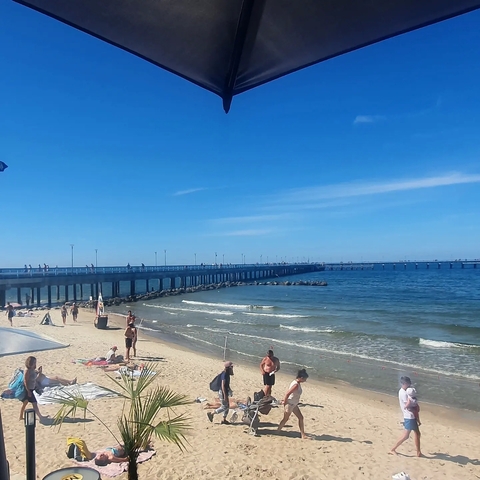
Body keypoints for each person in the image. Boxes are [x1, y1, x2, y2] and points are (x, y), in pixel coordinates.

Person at [389, 376, 422, 457]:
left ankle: (418, 452)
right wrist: (416, 408)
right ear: (404, 384)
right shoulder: (403, 393)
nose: (409, 385)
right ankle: (392, 449)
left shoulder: (406, 391)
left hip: (411, 416)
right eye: (408, 384)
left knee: (417, 433)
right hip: (409, 416)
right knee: (406, 436)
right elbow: (408, 406)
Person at [277, 368, 309, 439]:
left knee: (301, 417)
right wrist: (285, 403)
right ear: (301, 378)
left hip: (294, 404)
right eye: (305, 379)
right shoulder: (296, 385)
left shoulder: (296, 383)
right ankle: (277, 431)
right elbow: (287, 394)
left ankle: (303, 435)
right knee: (285, 419)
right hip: (290, 404)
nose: (305, 380)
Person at [19, 356, 46, 422]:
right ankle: (40, 417)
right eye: (34, 362)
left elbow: (35, 379)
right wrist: (28, 391)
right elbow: (25, 381)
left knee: (26, 403)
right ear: (30, 362)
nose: (35, 363)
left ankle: (20, 417)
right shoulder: (27, 370)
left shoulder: (32, 370)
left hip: (31, 389)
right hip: (28, 389)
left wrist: (39, 372)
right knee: (33, 403)